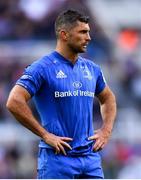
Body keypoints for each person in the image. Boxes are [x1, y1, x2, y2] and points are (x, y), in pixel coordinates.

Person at [6, 9, 117, 179]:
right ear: (64, 35)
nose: (89, 37)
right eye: (83, 32)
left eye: (88, 32)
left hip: (90, 158)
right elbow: (14, 101)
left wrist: (106, 130)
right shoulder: (42, 68)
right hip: (57, 159)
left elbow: (108, 98)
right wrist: (45, 135)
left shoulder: (92, 69)